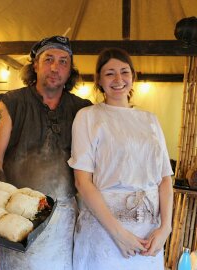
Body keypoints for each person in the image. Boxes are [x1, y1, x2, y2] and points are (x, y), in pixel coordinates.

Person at [0, 36, 92, 269]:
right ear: (35, 65)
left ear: (70, 69)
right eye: (49, 59)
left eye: (63, 61)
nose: (55, 67)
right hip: (17, 213)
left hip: (64, 218)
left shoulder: (82, 109)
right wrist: (5, 205)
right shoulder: (12, 103)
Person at [68, 48, 173, 269]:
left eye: (124, 72)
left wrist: (165, 228)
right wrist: (118, 233)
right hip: (105, 231)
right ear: (99, 80)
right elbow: (82, 181)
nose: (118, 79)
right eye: (110, 73)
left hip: (149, 235)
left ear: (133, 77)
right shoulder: (88, 117)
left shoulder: (150, 120)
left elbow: (165, 179)